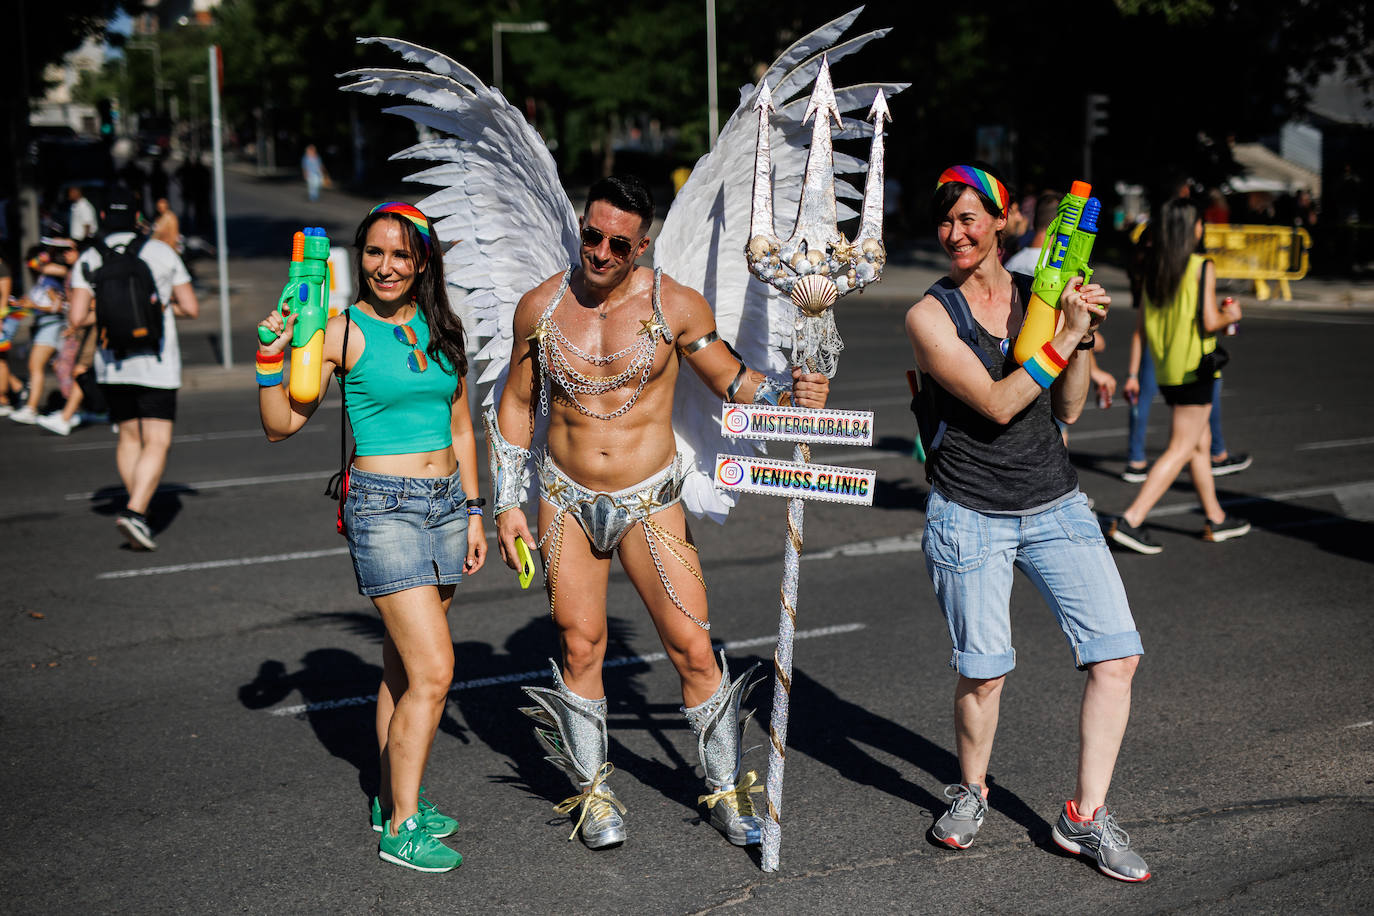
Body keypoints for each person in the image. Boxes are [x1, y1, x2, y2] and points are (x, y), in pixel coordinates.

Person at [487, 175, 830, 850]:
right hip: (564, 498)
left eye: (619, 243)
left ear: (642, 246)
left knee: (694, 649)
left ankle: (729, 794)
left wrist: (790, 391)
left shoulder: (675, 305)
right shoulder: (541, 308)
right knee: (580, 645)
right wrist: (506, 503)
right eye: (593, 235)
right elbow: (519, 403)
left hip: (649, 499)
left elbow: (731, 380)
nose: (602, 252)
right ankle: (593, 794)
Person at [904, 164, 1150, 882]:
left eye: (970, 218)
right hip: (970, 512)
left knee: (1117, 655)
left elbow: (1067, 408)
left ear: (1003, 222)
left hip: (1057, 503)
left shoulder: (1040, 294)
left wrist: (1083, 334)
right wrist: (1061, 335)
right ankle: (972, 792)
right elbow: (999, 403)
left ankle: (1085, 817)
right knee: (984, 675)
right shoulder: (929, 315)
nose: (955, 232)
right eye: (945, 220)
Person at [257, 202, 486, 874]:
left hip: (446, 505)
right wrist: (272, 355)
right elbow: (280, 425)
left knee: (401, 667)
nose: (385, 266)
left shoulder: (443, 329)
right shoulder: (339, 330)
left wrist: (474, 509)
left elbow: (462, 428)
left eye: (400, 255)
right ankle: (403, 829)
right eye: (374, 253)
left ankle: (394, 797)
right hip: (385, 508)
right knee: (436, 671)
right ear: (360, 259)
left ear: (422, 264)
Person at [1108, 199, 1250, 554]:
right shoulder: (1202, 266)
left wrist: (1133, 371)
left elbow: (1141, 327)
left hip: (1168, 371)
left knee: (1199, 444)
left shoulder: (1153, 268)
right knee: (1182, 447)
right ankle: (1132, 519)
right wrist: (1231, 314)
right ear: (1192, 228)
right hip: (1196, 368)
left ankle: (1216, 518)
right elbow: (1208, 321)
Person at [67, 188, 200, 551]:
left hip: (111, 363)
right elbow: (190, 308)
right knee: (158, 440)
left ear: (104, 219)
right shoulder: (161, 251)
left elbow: (77, 318)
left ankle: (135, 505)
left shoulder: (90, 257)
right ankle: (137, 512)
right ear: (138, 218)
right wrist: (161, 304)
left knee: (128, 438)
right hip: (156, 363)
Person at [8, 240, 76, 424]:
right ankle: (73, 406)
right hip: (46, 326)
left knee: (35, 366)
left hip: (51, 326)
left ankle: (31, 408)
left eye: (32, 261)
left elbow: (59, 306)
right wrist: (22, 305)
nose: (30, 265)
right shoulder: (42, 280)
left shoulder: (49, 279)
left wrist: (34, 306)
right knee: (60, 368)